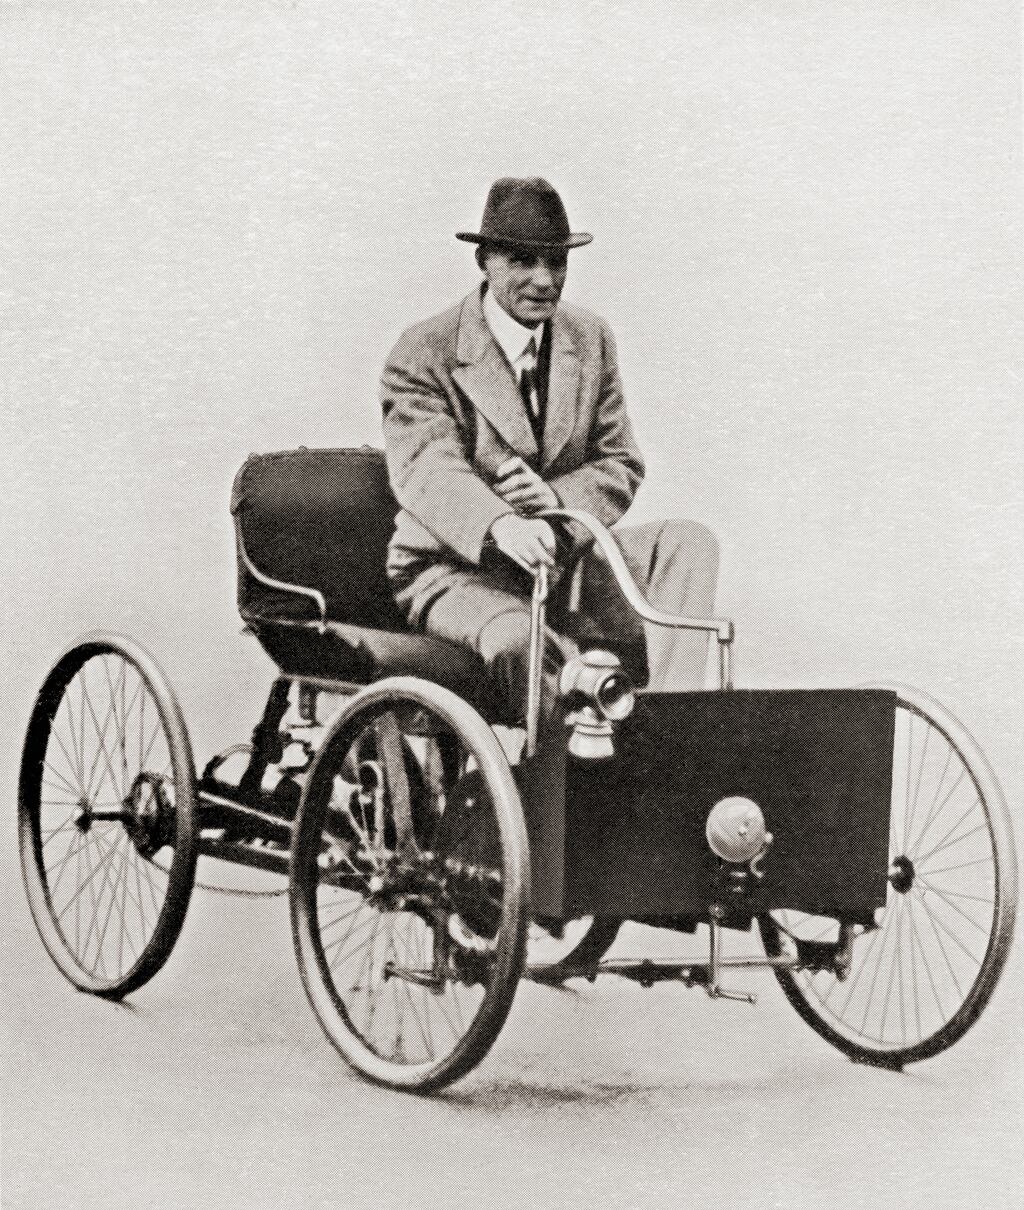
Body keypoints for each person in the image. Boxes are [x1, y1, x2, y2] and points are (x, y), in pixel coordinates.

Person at [380, 177, 718, 727]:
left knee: (687, 544)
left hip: (565, 565)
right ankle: (580, 762)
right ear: (485, 260)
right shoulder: (424, 350)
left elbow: (620, 460)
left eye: (557, 262)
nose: (544, 280)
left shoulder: (590, 338)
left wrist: (555, 499)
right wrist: (501, 526)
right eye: (522, 261)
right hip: (455, 572)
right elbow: (428, 469)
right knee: (523, 639)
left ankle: (672, 734)